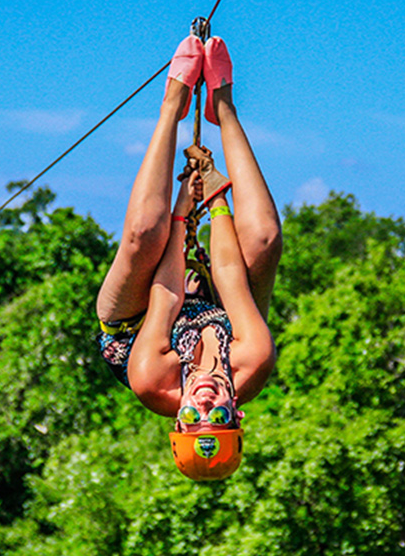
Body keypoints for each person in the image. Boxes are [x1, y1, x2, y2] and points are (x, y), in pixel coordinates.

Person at [96, 35, 281, 481]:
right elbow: (233, 277)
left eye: (195, 416)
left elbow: (166, 294)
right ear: (236, 414)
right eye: (218, 417)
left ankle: (171, 106)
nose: (206, 403)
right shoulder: (253, 360)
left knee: (146, 233)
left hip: (140, 318)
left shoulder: (151, 378)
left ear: (178, 419)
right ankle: (224, 109)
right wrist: (215, 196)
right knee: (264, 240)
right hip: (220, 303)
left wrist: (184, 205)